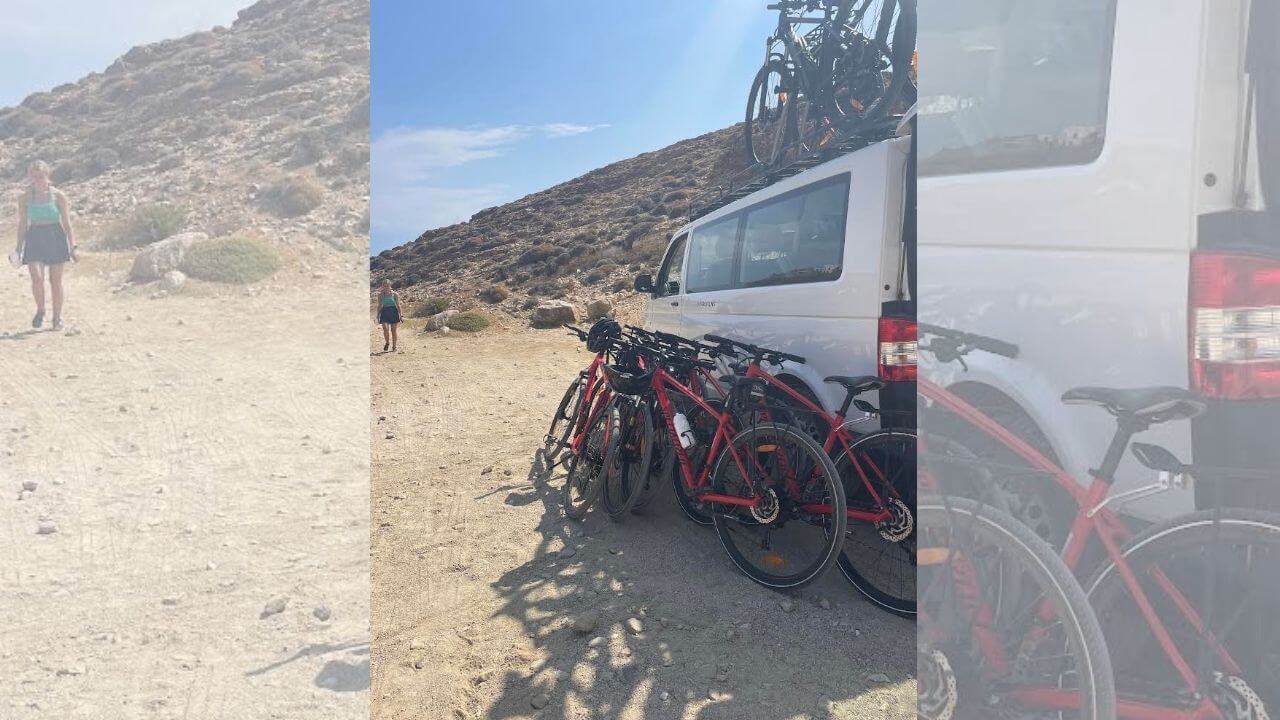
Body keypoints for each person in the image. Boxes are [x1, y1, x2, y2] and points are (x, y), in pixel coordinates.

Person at [15, 161, 77, 330]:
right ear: (30, 177)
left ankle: (57, 318)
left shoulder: (58, 195)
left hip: (54, 236)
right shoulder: (24, 198)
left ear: (47, 176)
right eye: (34, 177)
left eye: (41, 176)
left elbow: (66, 221)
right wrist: (18, 248)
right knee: (36, 277)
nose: (38, 180)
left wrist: (73, 245)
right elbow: (22, 223)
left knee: (55, 281)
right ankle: (41, 310)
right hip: (34, 236)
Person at [375, 280, 402, 352]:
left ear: (390, 286)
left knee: (393, 330)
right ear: (382, 286)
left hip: (393, 311)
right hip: (384, 311)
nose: (385, 287)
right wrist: (377, 315)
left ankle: (394, 346)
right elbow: (379, 305)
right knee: (385, 328)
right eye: (384, 286)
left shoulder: (395, 294)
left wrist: (401, 315)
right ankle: (387, 342)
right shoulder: (380, 295)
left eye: (387, 286)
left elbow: (398, 305)